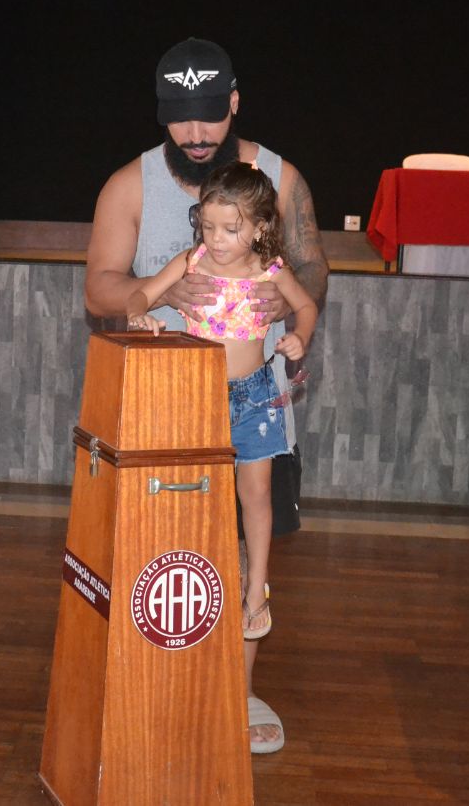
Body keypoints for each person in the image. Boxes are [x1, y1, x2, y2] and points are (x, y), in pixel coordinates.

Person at [84, 37, 328, 755]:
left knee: (248, 549)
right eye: (179, 118)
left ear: (234, 103)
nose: (194, 134)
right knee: (162, 552)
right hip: (166, 404)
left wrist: (285, 311)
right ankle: (159, 686)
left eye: (209, 116)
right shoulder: (128, 185)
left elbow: (311, 274)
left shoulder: (280, 178)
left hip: (254, 397)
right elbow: (99, 288)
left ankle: (240, 691)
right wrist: (155, 291)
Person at [126, 162, 318, 644]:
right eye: (207, 226)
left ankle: (255, 591)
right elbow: (138, 297)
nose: (216, 239)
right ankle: (196, 575)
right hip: (198, 397)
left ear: (260, 229)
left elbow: (306, 305)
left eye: (230, 230)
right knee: (195, 494)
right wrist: (141, 317)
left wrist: (300, 336)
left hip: (256, 397)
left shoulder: (271, 270)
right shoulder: (191, 262)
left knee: (256, 496)